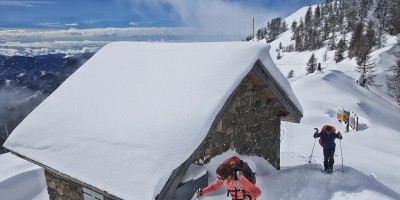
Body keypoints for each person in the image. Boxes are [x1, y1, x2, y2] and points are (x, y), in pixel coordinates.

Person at [195, 163, 261, 200]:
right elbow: (213, 186)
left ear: (229, 177)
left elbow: (257, 191)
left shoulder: (240, 179)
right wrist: (202, 192)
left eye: (220, 178)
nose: (219, 180)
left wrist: (249, 197)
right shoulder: (223, 179)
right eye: (218, 177)